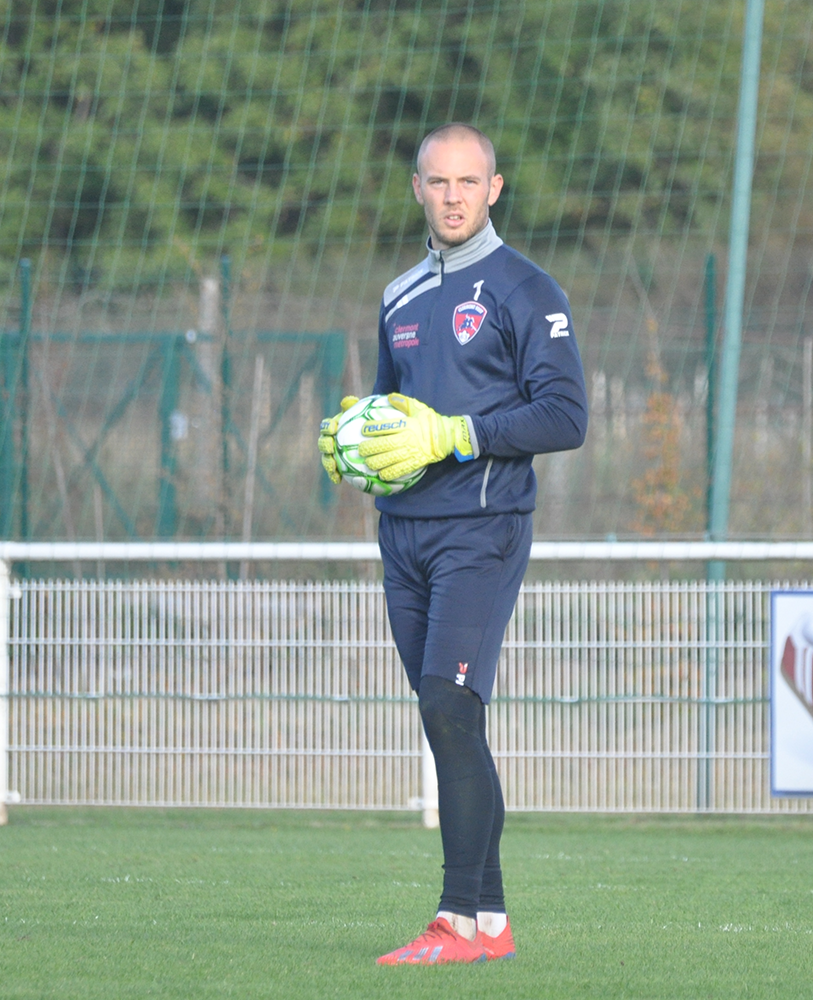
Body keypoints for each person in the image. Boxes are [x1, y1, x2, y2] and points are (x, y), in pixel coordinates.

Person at [318, 122, 588, 964]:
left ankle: (454, 920)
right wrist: (354, 445)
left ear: (495, 188)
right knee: (449, 726)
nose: (453, 197)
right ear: (417, 188)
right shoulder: (397, 296)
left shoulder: (525, 288)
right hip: (402, 538)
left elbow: (565, 416)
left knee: (448, 705)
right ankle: (492, 924)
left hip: (483, 530)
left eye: (469, 182)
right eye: (439, 182)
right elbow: (387, 406)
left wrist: (455, 437)